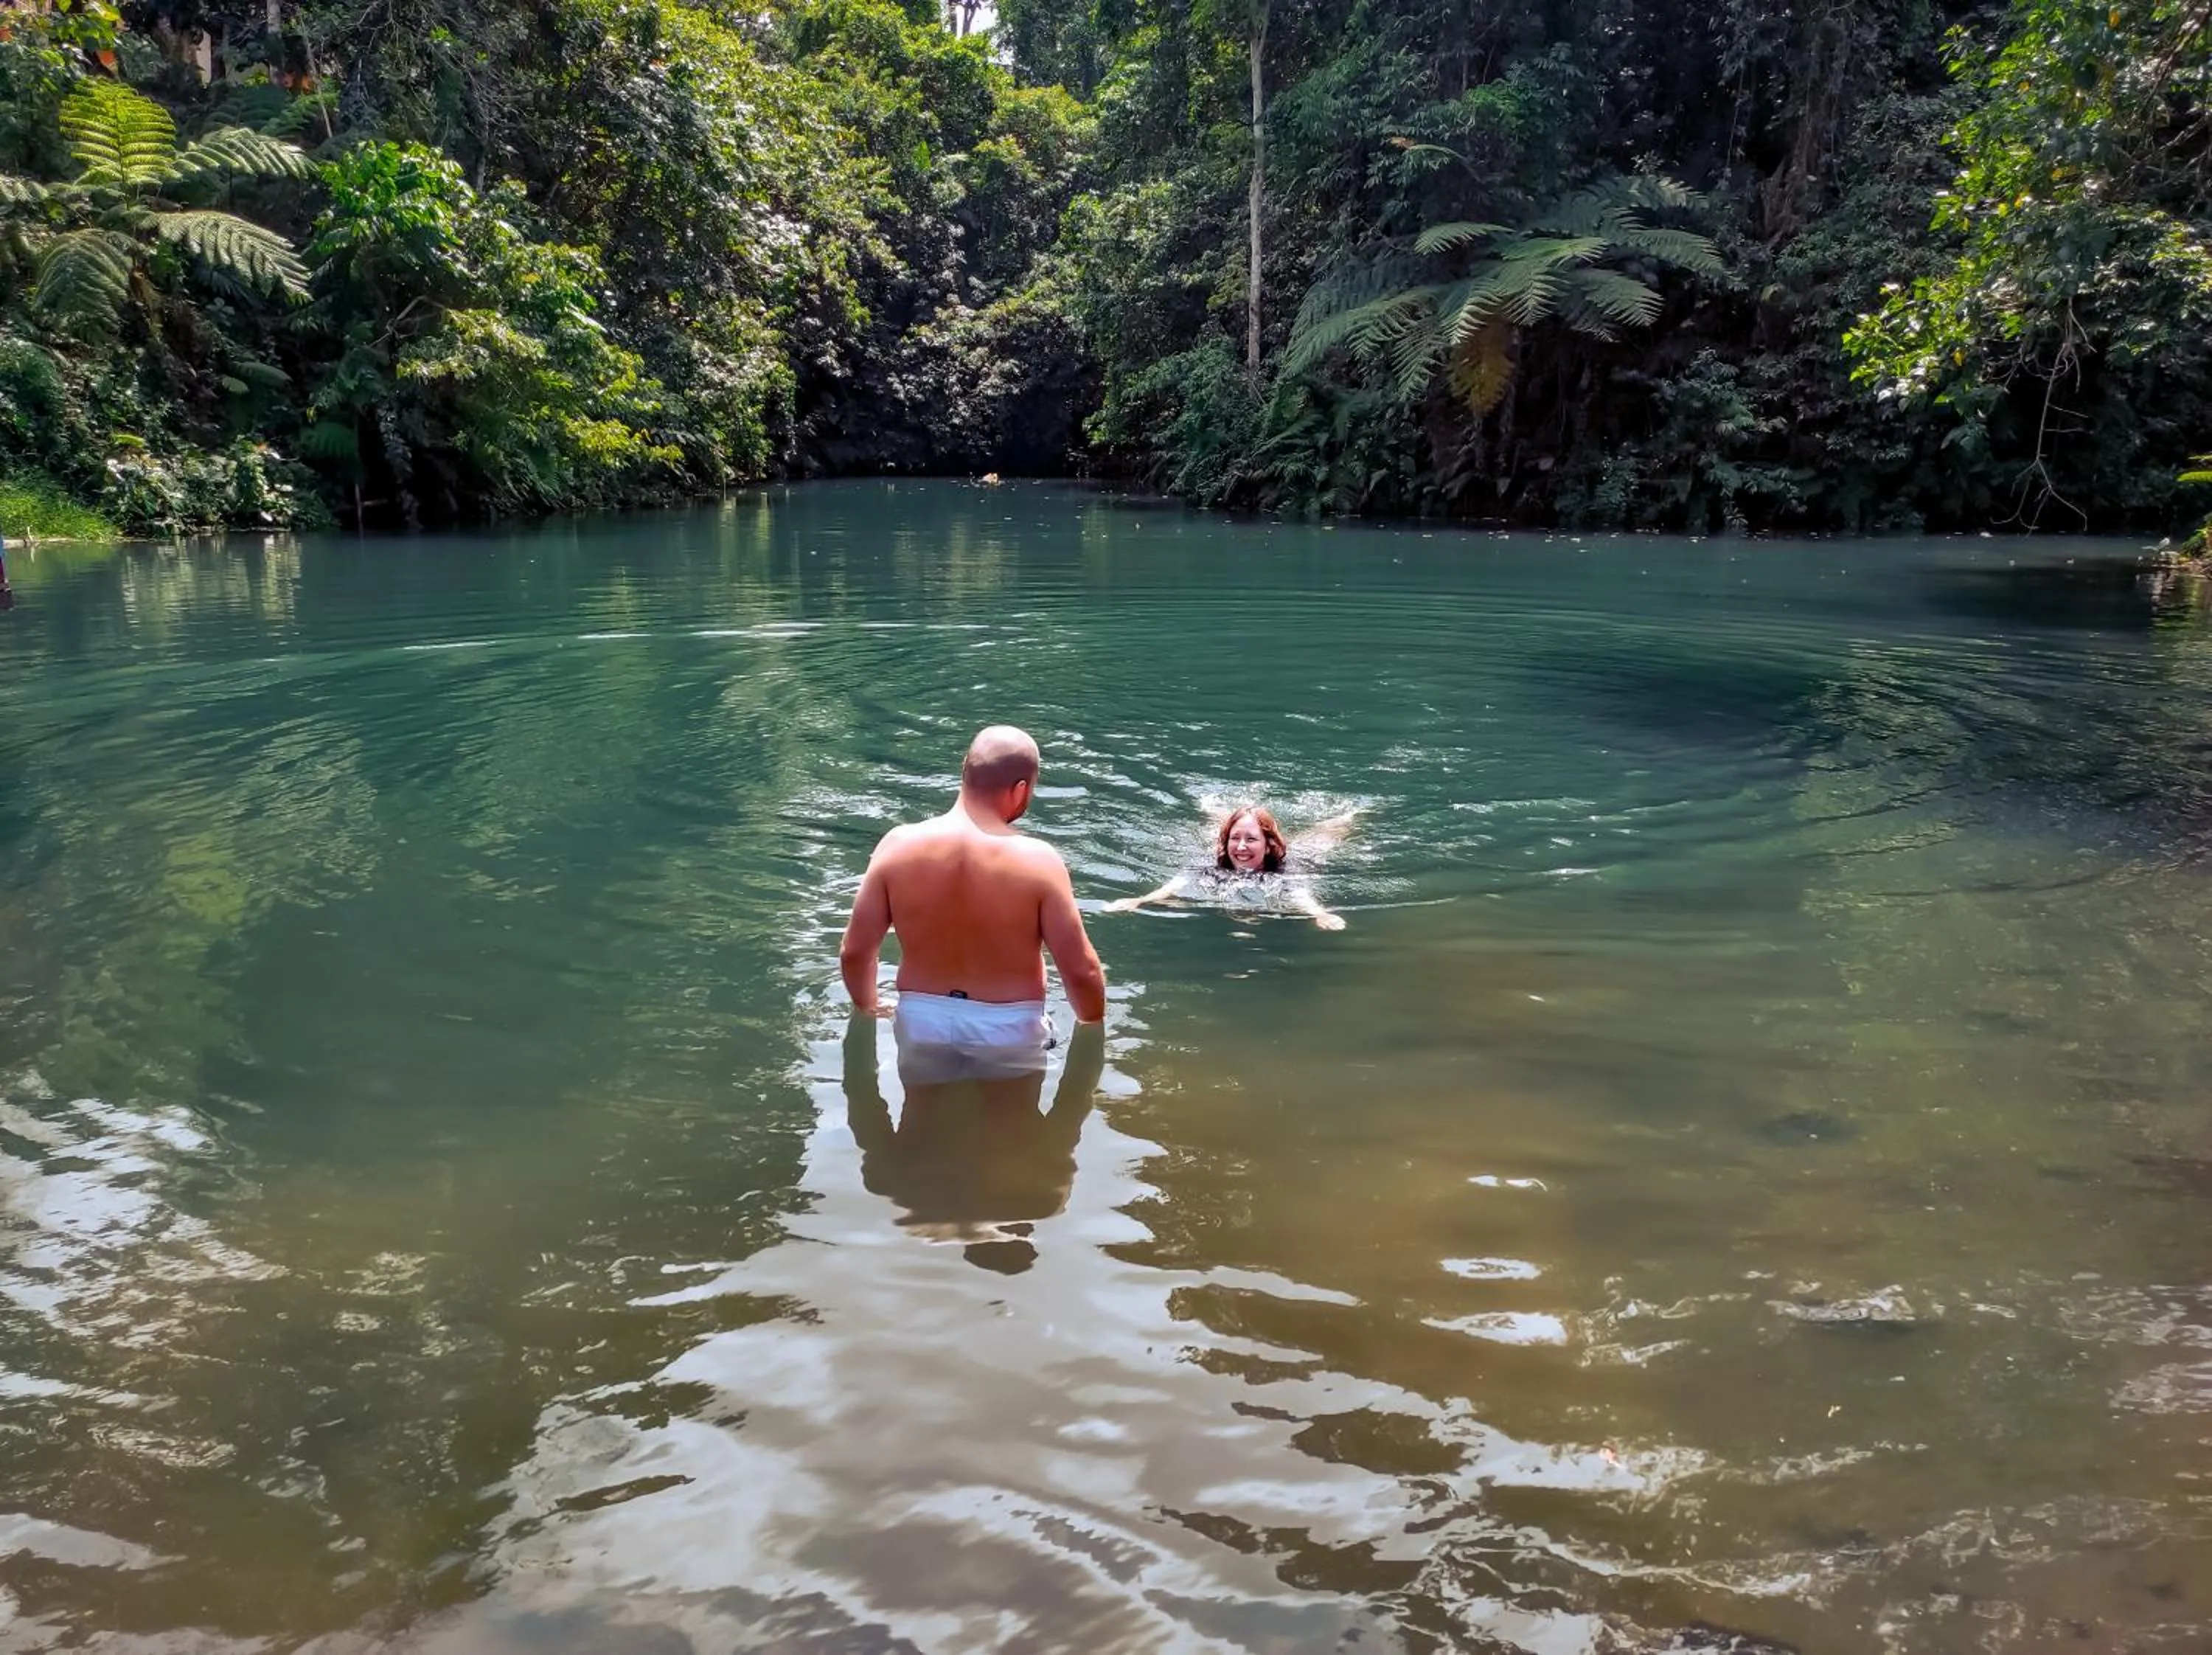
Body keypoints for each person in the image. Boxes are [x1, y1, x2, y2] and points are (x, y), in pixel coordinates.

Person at [839, 725, 1108, 1075]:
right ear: (1021, 789)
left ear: (964, 767)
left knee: (922, 1124)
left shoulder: (898, 845)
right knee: (1012, 1125)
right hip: (1009, 1026)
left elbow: (855, 952)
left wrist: (867, 1006)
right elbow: (1081, 971)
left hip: (923, 1021)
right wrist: (1093, 1032)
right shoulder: (1039, 860)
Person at [1102, 801, 1363, 929]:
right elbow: (1175, 885)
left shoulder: (1284, 869)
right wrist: (1139, 900)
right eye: (1235, 839)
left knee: (1321, 840)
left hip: (1301, 854)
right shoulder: (1211, 863)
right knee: (1221, 827)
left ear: (1268, 844)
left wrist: (1320, 913)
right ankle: (1216, 812)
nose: (1240, 847)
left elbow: (1300, 895)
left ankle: (1352, 813)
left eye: (1251, 840)